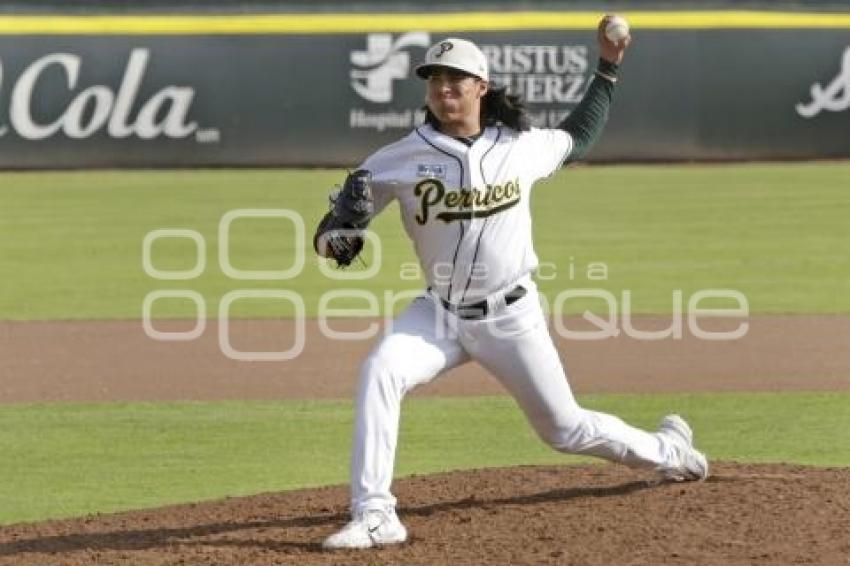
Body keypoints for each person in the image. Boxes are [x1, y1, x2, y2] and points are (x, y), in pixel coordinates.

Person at [317, 16, 708, 551]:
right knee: (380, 371)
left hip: (511, 316)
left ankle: (668, 451)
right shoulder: (394, 160)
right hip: (439, 313)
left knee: (563, 429)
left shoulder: (519, 145)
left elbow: (580, 136)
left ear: (481, 88)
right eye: (434, 80)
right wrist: (340, 237)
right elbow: (332, 237)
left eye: (455, 79)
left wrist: (609, 68)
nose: (444, 89)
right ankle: (376, 514)